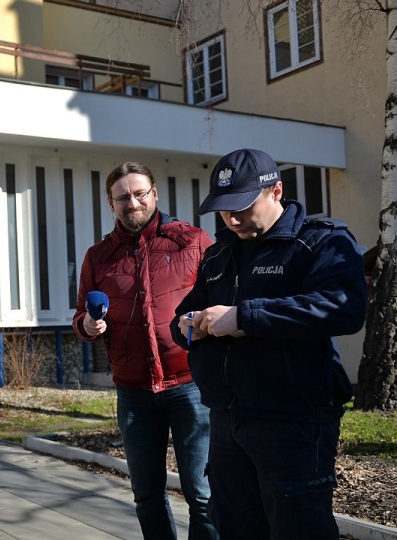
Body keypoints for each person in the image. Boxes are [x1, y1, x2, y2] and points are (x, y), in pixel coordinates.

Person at [172, 148, 367, 539]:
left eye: (244, 206)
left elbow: (342, 309)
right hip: (227, 421)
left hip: (292, 422)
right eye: (225, 208)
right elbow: (184, 320)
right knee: (235, 528)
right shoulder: (219, 254)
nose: (233, 217)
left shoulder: (319, 241)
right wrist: (188, 324)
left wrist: (244, 317)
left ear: (276, 191)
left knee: (298, 528)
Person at [73, 162, 218, 540]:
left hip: (191, 385)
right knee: (147, 495)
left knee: (202, 494)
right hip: (134, 391)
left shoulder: (193, 241)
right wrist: (87, 326)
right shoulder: (98, 256)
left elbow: (222, 301)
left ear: (154, 193)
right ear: (111, 203)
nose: (132, 203)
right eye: (122, 197)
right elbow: (79, 315)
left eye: (139, 194)